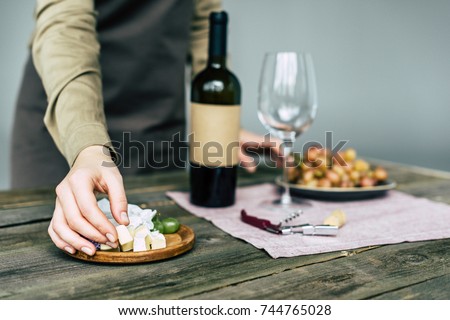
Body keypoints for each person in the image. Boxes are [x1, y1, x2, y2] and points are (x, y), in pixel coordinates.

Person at [11, 0, 280, 256]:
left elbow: (202, 25)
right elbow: (66, 27)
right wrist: (87, 145)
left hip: (157, 121)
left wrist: (221, 124)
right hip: (67, 116)